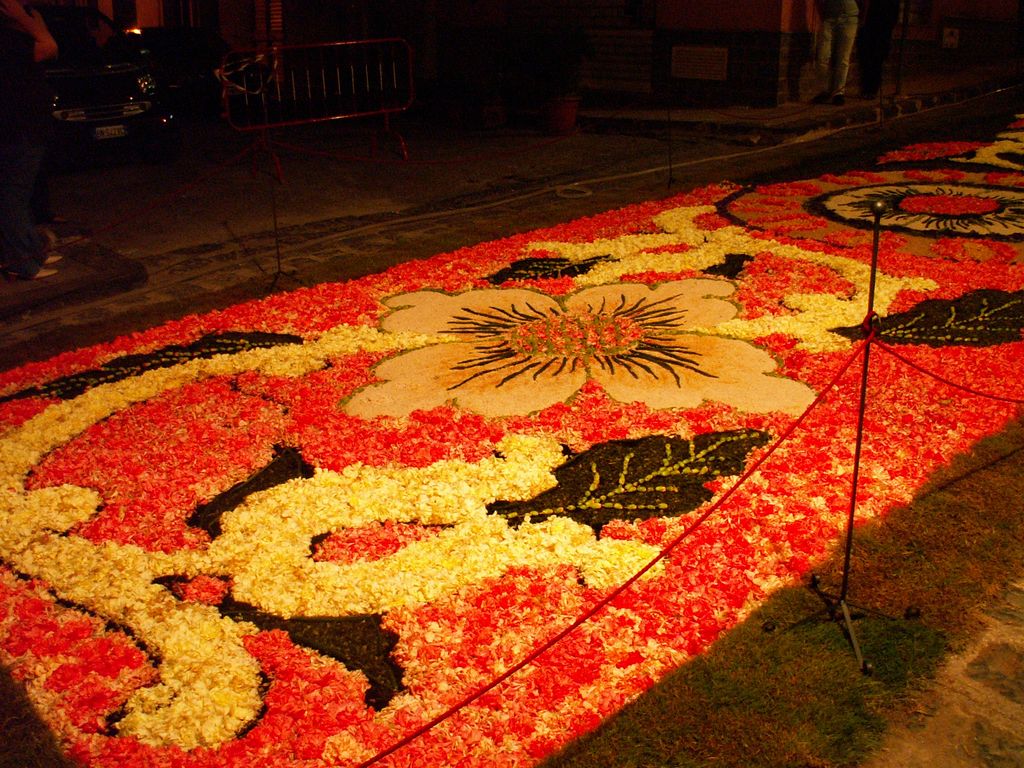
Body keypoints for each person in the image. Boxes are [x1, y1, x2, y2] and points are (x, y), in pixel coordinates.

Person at [0, 0, 60, 280]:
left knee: (19, 194)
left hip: (23, 127)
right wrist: (26, 19)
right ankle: (22, 261)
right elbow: (50, 46)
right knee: (12, 196)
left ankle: (31, 252)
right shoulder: (9, 41)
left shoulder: (15, 37)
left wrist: (29, 17)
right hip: (18, 128)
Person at [811, 0, 861, 106]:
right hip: (829, 17)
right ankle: (824, 90)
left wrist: (861, 16)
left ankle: (839, 92)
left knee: (843, 57)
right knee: (823, 56)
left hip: (849, 16)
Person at [857, 0, 900, 99]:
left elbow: (894, 14)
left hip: (881, 29)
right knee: (866, 59)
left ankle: (871, 89)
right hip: (869, 27)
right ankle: (866, 88)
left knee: (876, 60)